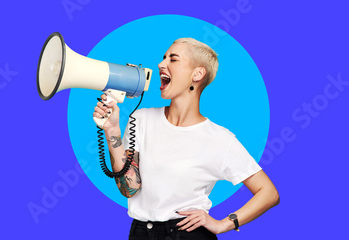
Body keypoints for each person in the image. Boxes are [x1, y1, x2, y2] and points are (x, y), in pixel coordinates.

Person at [92, 38, 280, 240]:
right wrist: (112, 130)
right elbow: (129, 188)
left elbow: (268, 193)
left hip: (187, 235)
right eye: (163, 58)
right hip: (140, 233)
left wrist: (224, 224)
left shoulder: (219, 139)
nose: (161, 64)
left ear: (197, 74)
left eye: (173, 59)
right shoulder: (141, 119)